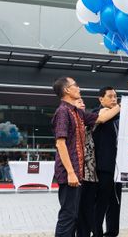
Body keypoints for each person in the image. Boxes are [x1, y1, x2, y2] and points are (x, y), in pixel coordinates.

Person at [51, 77, 119, 237]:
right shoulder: (63, 112)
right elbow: (60, 144)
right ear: (67, 90)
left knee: (74, 215)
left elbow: (101, 118)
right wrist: (71, 172)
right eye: (75, 85)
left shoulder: (77, 112)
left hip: (77, 173)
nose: (79, 88)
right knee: (68, 215)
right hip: (70, 173)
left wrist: (127, 104)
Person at [92, 86, 122, 237]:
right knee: (101, 202)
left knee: (115, 202)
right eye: (110, 96)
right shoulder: (95, 113)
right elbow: (102, 118)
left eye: (115, 96)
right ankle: (96, 232)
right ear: (101, 99)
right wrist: (122, 105)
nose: (113, 99)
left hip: (118, 167)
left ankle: (112, 232)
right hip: (102, 166)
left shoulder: (118, 115)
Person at [75, 98, 98, 237]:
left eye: (83, 102)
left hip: (90, 172)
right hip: (76, 173)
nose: (82, 103)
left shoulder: (88, 120)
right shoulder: (70, 121)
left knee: (88, 208)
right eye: (78, 102)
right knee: (76, 210)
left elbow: (101, 116)